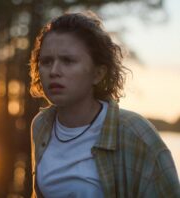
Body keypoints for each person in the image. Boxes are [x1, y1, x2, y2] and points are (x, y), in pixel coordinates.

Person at [29, 11, 180, 198]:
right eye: (46, 61)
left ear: (98, 74)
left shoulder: (136, 134)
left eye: (68, 61)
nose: (54, 71)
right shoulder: (42, 125)